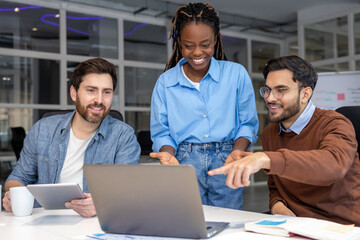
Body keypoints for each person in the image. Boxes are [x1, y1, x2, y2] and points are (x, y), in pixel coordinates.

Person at [209, 55, 360, 225]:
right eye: (267, 90)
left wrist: (264, 158)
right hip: (294, 224)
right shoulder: (270, 133)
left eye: (281, 90)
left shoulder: (335, 123)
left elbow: (334, 165)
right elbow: (276, 186)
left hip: (340, 226)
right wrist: (277, 205)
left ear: (305, 94)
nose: (270, 98)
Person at [149, 3, 258, 210]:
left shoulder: (236, 74)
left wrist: (236, 152)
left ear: (215, 40)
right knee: (187, 221)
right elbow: (162, 130)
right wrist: (169, 154)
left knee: (228, 222)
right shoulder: (165, 82)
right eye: (189, 45)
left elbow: (247, 123)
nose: (197, 52)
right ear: (179, 43)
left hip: (227, 158)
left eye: (205, 44)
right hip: (183, 160)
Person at [2, 58, 140, 218]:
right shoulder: (43, 129)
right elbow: (18, 178)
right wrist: (12, 194)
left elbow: (127, 191)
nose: (100, 100)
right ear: (74, 93)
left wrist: (101, 204)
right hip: (42, 219)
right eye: (91, 90)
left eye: (106, 92)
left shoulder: (124, 136)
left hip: (95, 222)